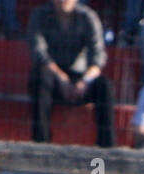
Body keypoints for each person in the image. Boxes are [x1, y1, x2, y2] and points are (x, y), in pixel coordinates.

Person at [29, 0, 115, 148]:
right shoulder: (40, 15)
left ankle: (106, 148)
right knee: (40, 79)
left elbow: (98, 58)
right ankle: (41, 144)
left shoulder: (88, 17)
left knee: (104, 86)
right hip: (51, 76)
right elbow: (39, 53)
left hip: (81, 77)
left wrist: (85, 81)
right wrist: (61, 78)